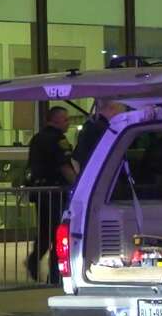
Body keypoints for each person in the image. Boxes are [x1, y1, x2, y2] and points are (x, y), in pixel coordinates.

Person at [25, 106, 77, 284]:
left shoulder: (37, 138)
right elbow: (65, 167)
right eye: (65, 120)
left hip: (40, 193)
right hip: (55, 194)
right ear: (55, 120)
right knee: (58, 233)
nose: (68, 123)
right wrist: (78, 186)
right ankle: (55, 276)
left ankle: (34, 259)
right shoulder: (58, 140)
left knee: (45, 231)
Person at [73, 99, 124, 173]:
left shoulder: (89, 125)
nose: (121, 115)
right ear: (112, 108)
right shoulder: (105, 129)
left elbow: (76, 158)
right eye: (121, 111)